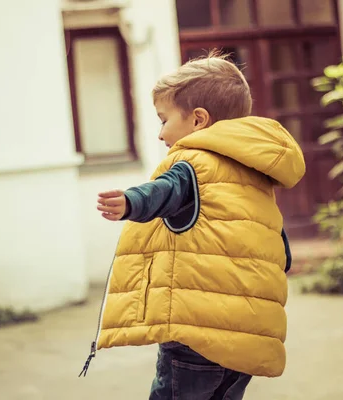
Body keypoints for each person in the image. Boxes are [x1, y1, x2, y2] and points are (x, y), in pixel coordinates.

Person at [79, 52, 306, 400]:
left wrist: (131, 202)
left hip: (195, 336)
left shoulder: (192, 163)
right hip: (245, 337)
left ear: (198, 120)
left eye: (163, 119)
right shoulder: (256, 172)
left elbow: (165, 190)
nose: (160, 134)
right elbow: (277, 246)